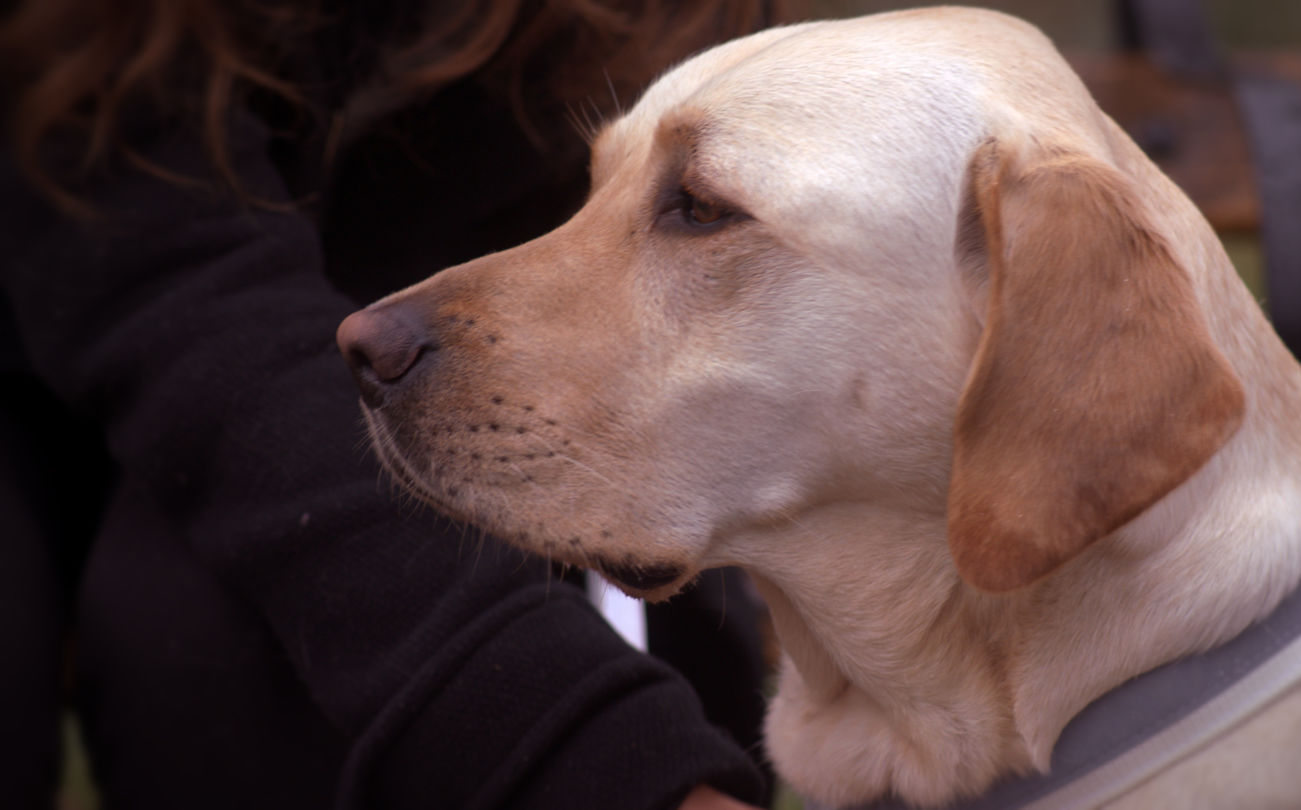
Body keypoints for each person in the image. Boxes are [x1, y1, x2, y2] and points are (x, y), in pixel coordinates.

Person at [0, 1, 795, 807]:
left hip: (445, 361)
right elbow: (178, 295)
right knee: (202, 618)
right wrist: (593, 751)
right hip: (158, 332)